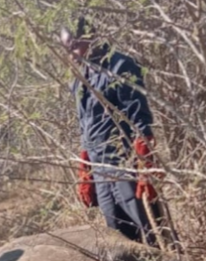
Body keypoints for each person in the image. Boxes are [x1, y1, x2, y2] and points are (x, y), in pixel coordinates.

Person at [61, 18, 163, 244]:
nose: (73, 55)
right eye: (67, 50)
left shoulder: (120, 66)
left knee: (148, 231)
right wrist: (85, 171)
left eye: (75, 45)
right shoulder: (79, 81)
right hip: (100, 171)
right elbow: (84, 126)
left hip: (125, 162)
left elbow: (140, 119)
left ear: (91, 36)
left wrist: (145, 166)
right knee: (118, 236)